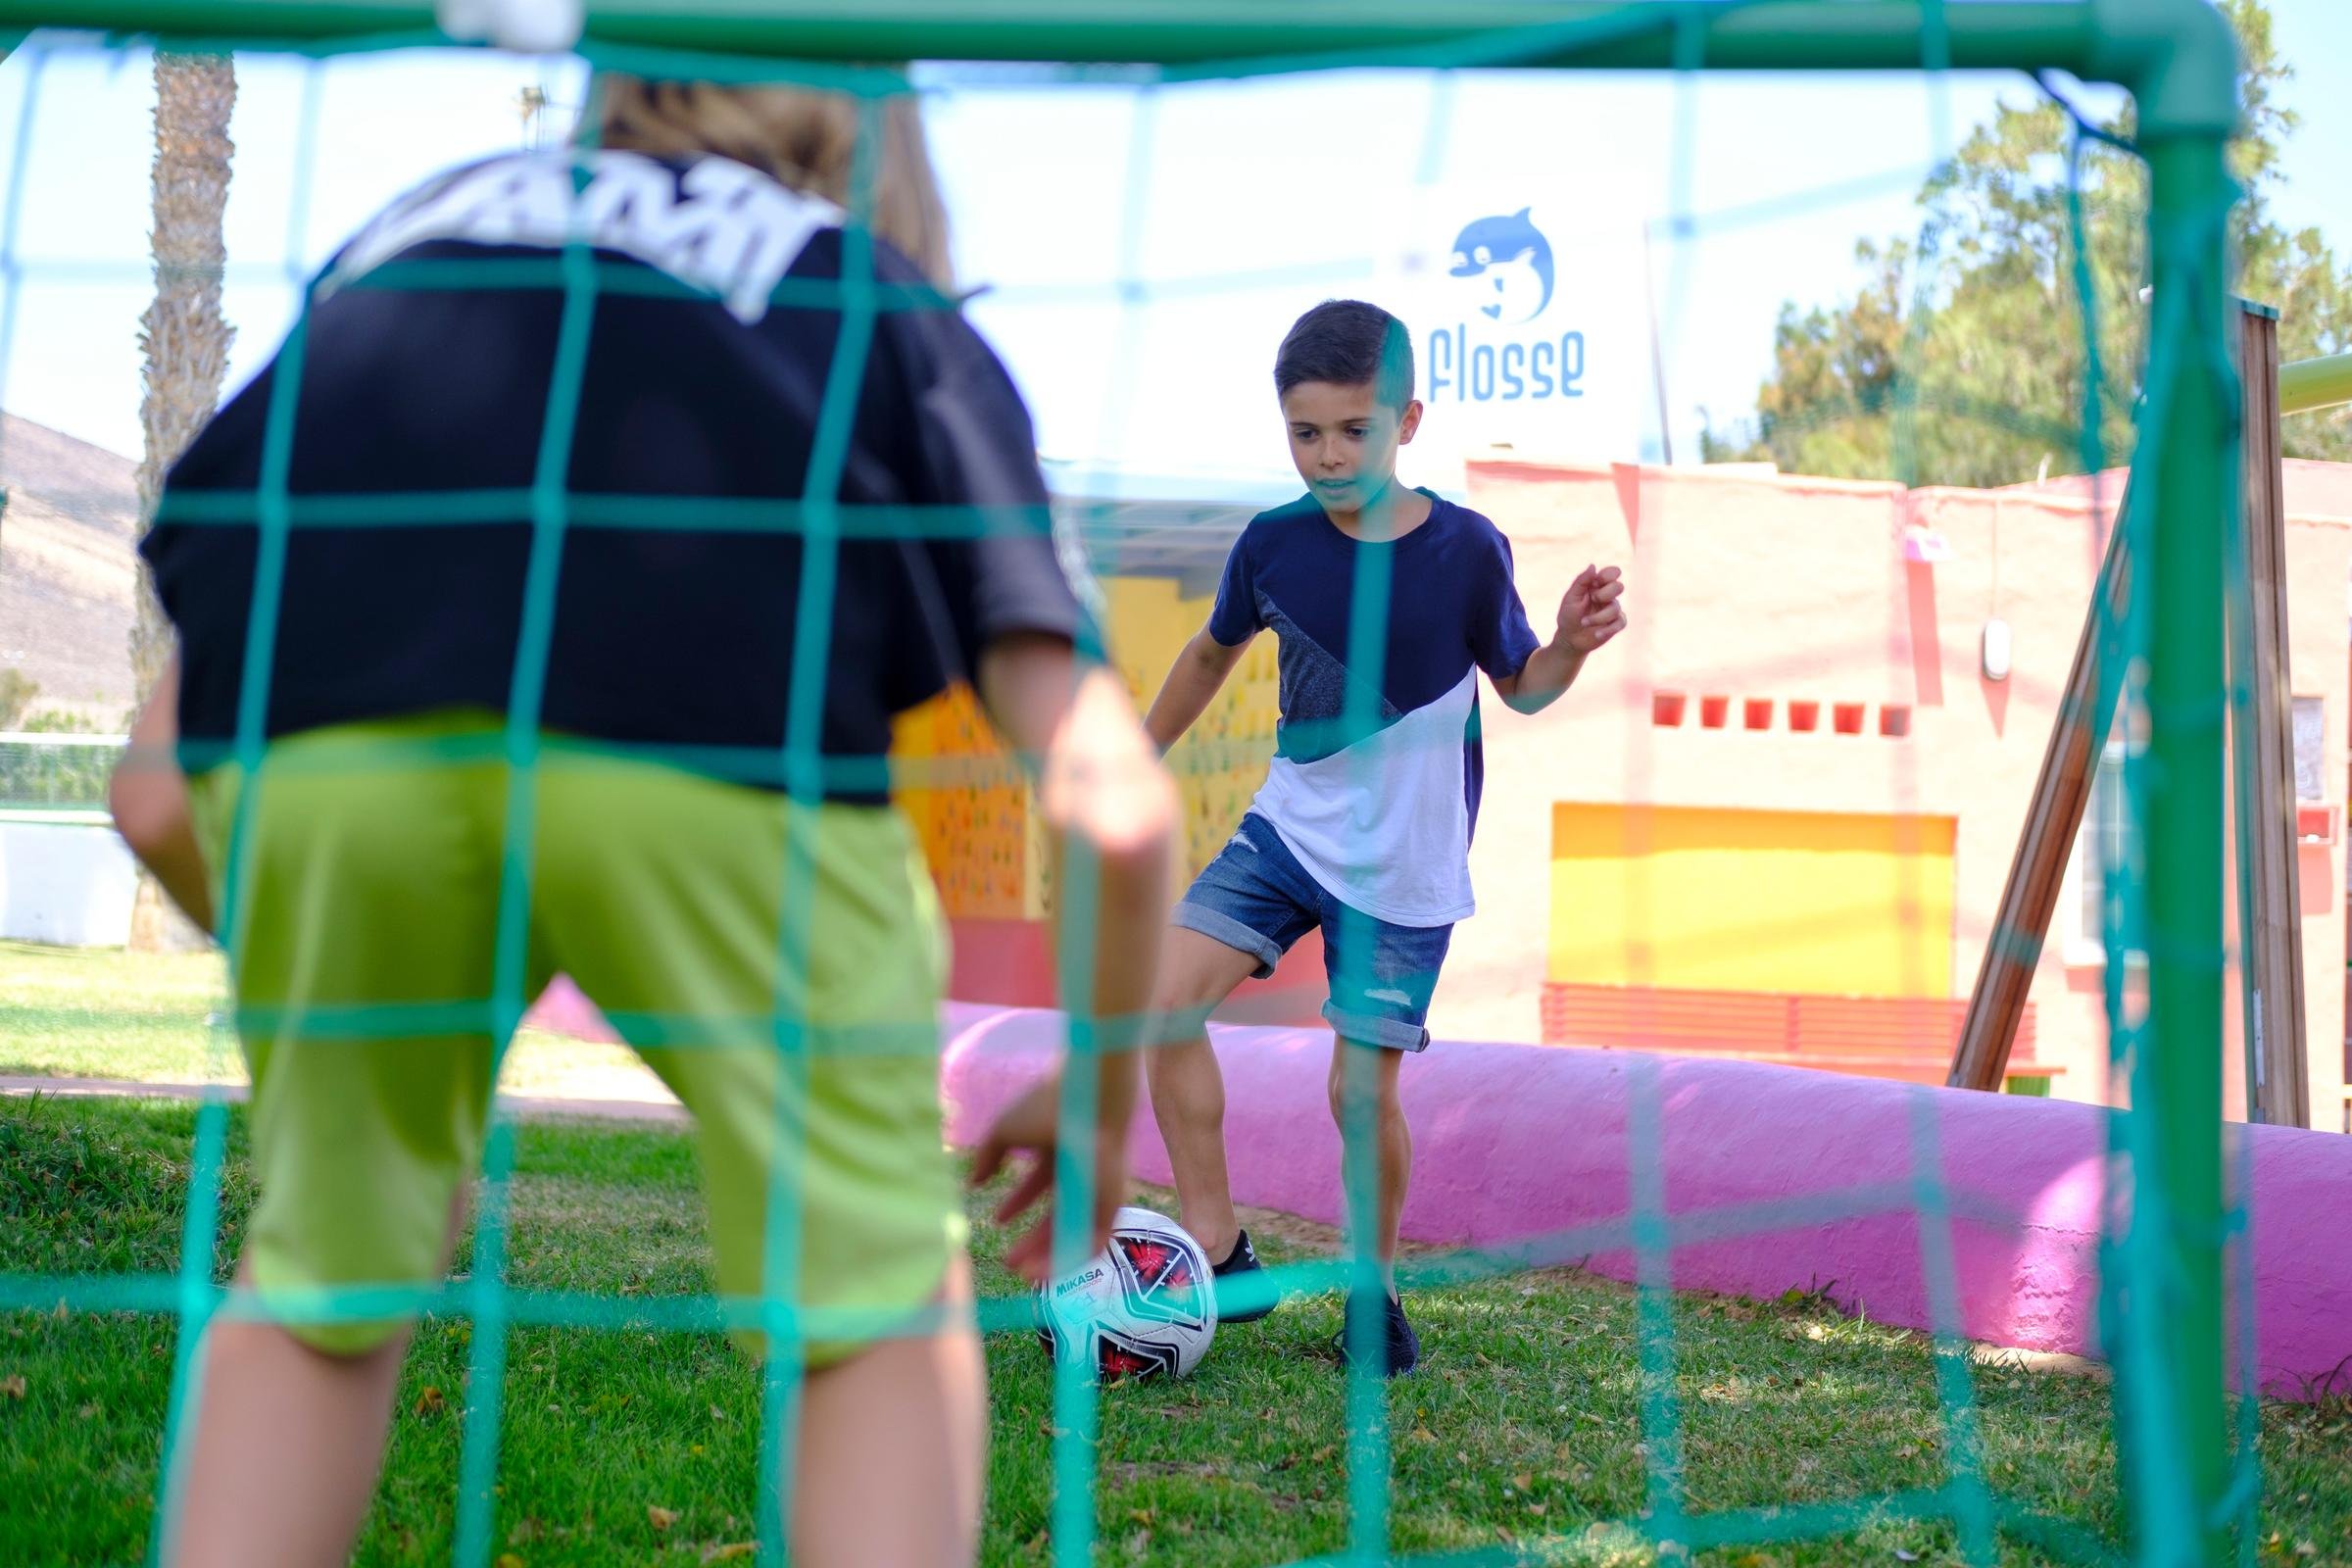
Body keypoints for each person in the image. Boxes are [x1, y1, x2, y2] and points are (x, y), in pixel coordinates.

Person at [110, 74, 1174, 1568]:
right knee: (871, 1305)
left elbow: (148, 786)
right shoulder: (871, 300)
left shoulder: (408, 244)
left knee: (320, 1287)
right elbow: (1121, 810)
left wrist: (363, 1008)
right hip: (730, 781)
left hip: (339, 777)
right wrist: (1098, 1091)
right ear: (878, 136)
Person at [1138, 299, 1626, 1376]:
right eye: (1304, 432)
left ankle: (1376, 1293)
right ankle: (1218, 1248)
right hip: (1286, 829)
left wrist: (1571, 644)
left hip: (1403, 867)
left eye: (1351, 430)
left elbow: (1527, 689)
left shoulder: (1466, 548)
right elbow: (1210, 656)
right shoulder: (1271, 544)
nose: (1327, 454)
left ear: (1407, 419)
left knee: (1359, 1092)